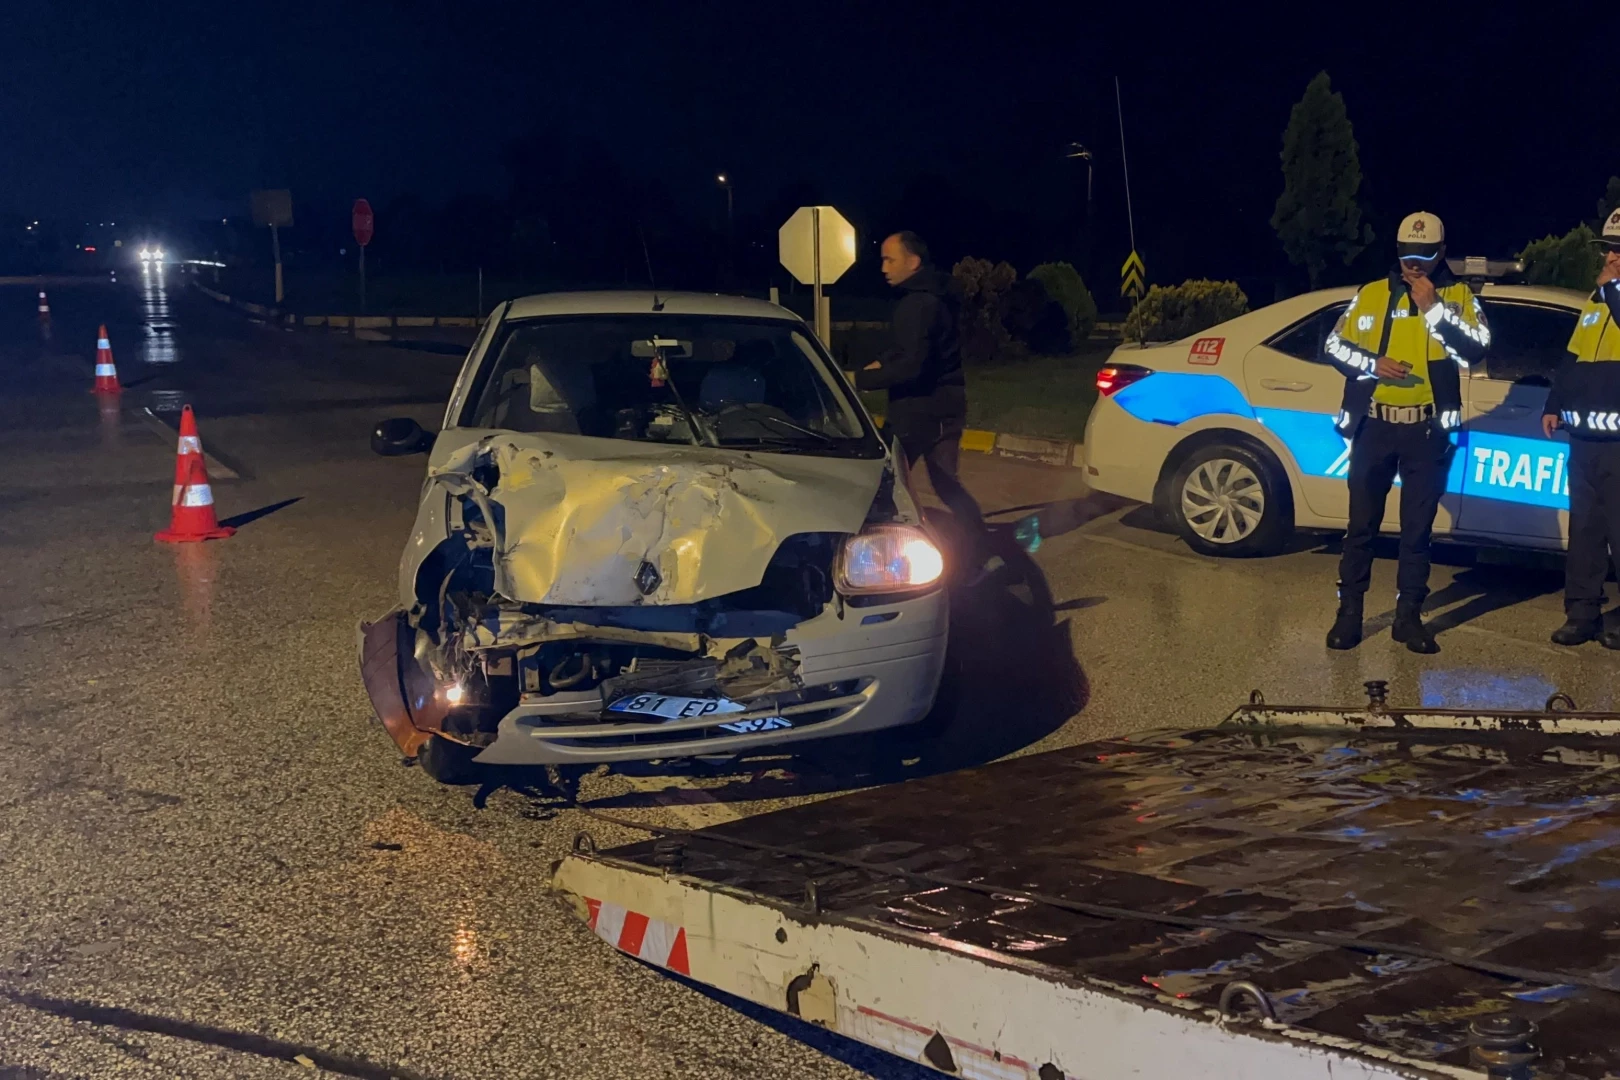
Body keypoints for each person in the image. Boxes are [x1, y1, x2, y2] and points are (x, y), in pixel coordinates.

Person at [1322, 211, 1491, 654]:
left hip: (1427, 432)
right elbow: (1333, 346)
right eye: (1406, 255)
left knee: (1417, 533)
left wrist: (1433, 309)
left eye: (1424, 256)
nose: (1413, 264)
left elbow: (1475, 350)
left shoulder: (1457, 296)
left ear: (1442, 253)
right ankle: (1349, 614)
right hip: (1374, 426)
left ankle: (1408, 618)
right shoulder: (1372, 293)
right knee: (1361, 528)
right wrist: (1370, 364)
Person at [857, 231, 988, 569]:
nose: (884, 267)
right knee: (946, 484)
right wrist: (883, 361)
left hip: (917, 412)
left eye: (890, 260)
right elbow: (915, 349)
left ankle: (876, 556)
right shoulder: (936, 297)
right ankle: (978, 546)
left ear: (913, 262)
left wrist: (860, 381)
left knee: (883, 482)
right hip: (947, 406)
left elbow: (912, 365)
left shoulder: (917, 303)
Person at [1542, 211, 1620, 649]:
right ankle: (1582, 613)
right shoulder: (1597, 299)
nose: (1612, 257)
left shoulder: (1609, 294)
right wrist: (1554, 404)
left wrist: (1611, 290)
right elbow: (1573, 356)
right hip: (1585, 439)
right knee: (1586, 531)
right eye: (1609, 249)